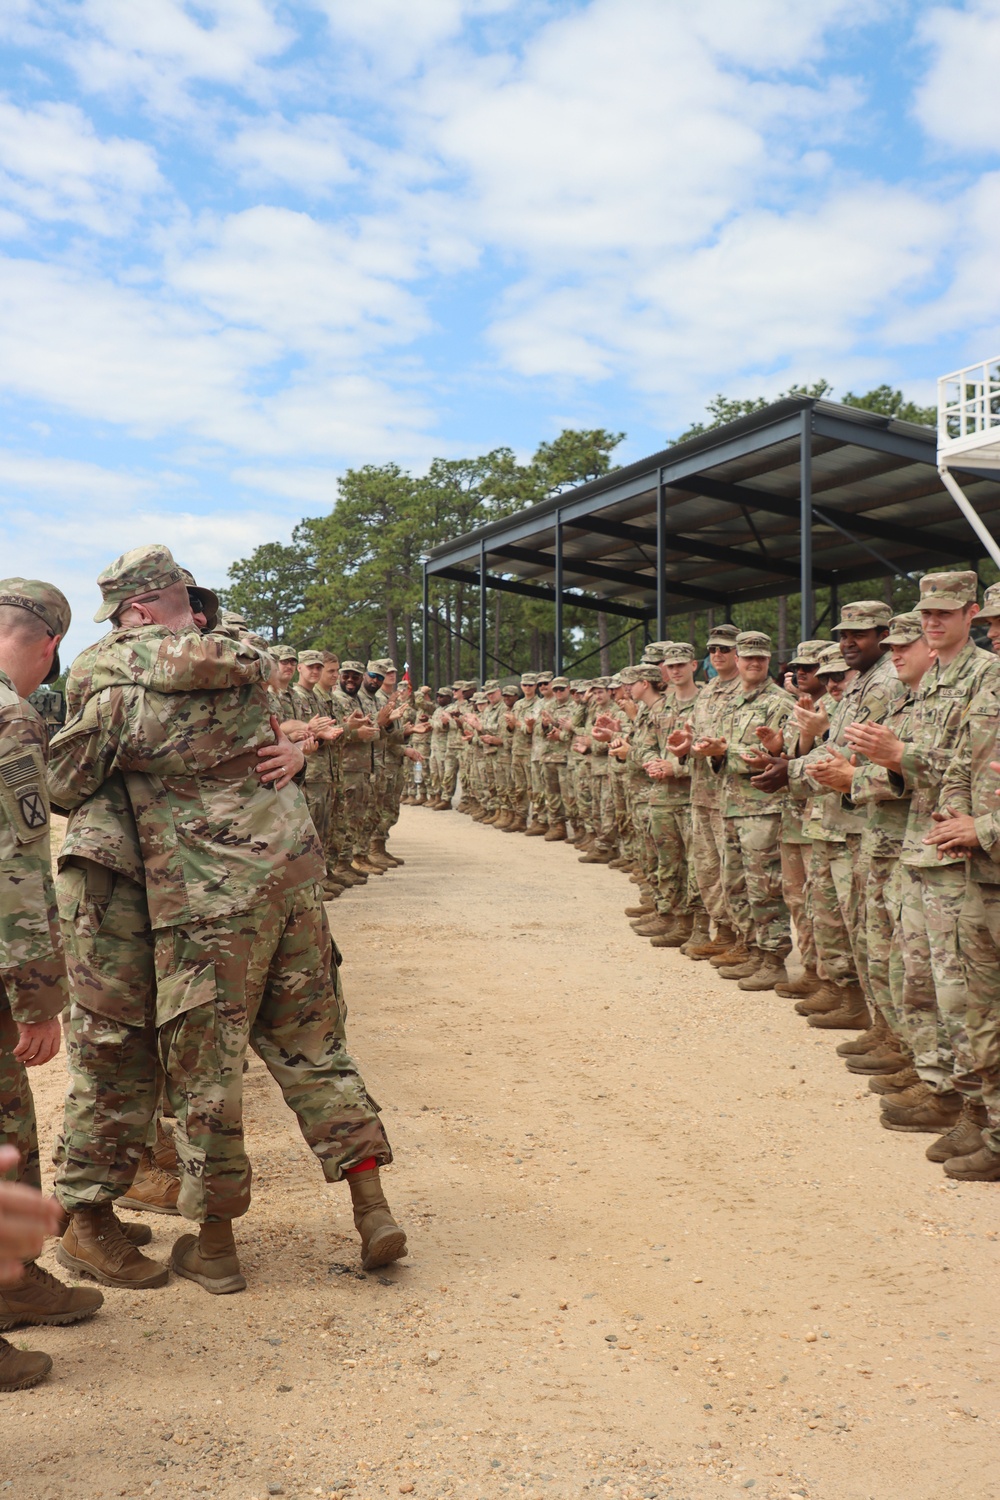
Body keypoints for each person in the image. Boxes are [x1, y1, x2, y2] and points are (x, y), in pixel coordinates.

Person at [48, 546, 405, 1294]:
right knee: (314, 1045)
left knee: (207, 1073)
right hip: (293, 885)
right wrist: (297, 751)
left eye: (118, 618)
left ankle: (215, 1247)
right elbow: (276, 745)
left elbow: (62, 783)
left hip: (203, 900)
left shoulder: (111, 682)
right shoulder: (252, 667)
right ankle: (372, 1207)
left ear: (136, 611)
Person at [0, 577, 104, 1390]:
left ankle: (14, 1281)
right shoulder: (11, 714)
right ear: (49, 645)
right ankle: (8, 1287)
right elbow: (18, 866)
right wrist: (38, 998)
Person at [666, 622, 741, 959]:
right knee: (707, 869)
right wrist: (683, 748)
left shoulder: (747, 690)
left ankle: (744, 939)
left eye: (725, 648)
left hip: (734, 797)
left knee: (735, 872)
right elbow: (693, 736)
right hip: (702, 793)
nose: (718, 654)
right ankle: (722, 930)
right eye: (713, 649)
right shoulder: (708, 692)